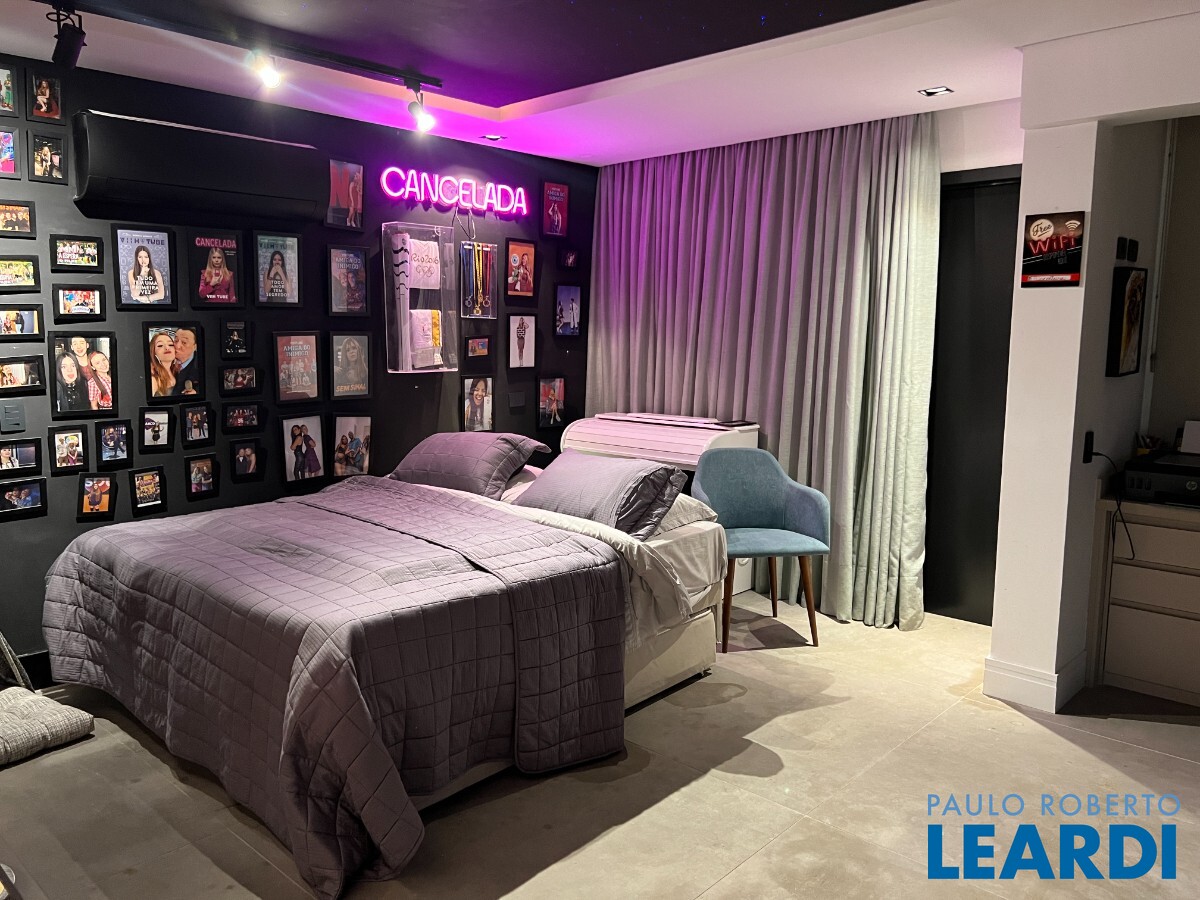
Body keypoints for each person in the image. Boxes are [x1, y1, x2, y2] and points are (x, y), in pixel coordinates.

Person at [170, 326, 200, 396]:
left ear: (195, 346)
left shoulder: (201, 366)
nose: (177, 346)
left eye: (184, 342)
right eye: (176, 340)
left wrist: (196, 393)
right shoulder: (166, 360)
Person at [148, 331, 176, 397]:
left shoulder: (177, 371)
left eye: (170, 344)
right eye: (160, 345)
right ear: (153, 352)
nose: (167, 348)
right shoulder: (154, 379)